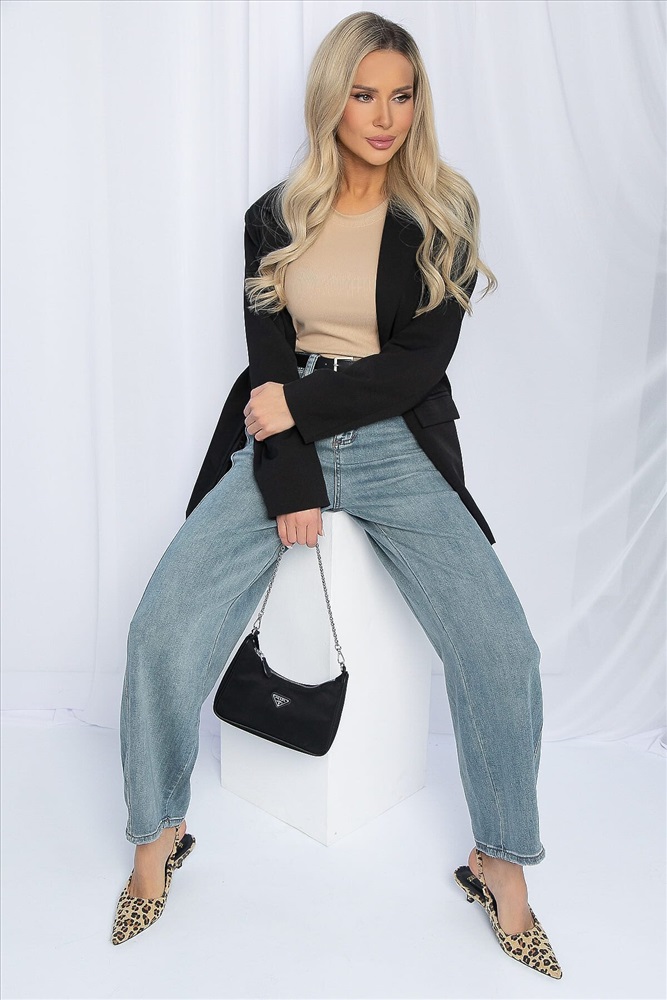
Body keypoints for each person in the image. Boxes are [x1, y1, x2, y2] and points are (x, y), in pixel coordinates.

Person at [111, 10, 562, 979]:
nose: (385, 117)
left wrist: (299, 410)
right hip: (282, 439)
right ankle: (157, 837)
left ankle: (499, 860)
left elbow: (417, 364)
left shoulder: (443, 210)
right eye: (364, 95)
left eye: (401, 95)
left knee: (501, 649)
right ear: (332, 100)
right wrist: (291, 474)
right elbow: (266, 363)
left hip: (396, 441)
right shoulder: (272, 217)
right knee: (161, 628)